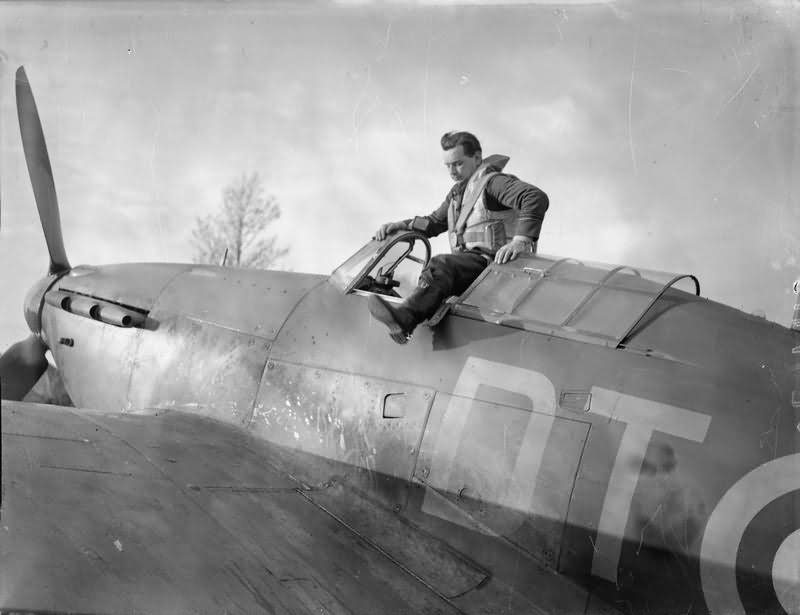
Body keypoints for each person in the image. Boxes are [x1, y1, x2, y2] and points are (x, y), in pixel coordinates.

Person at [369, 131, 549, 344]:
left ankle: (406, 318)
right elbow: (434, 222)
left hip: (496, 267)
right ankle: (413, 316)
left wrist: (521, 240)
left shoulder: (493, 183)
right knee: (438, 272)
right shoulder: (459, 194)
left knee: (441, 264)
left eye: (458, 164)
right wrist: (401, 225)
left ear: (477, 158)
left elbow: (534, 197)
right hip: (473, 268)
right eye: (448, 166)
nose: (453, 171)